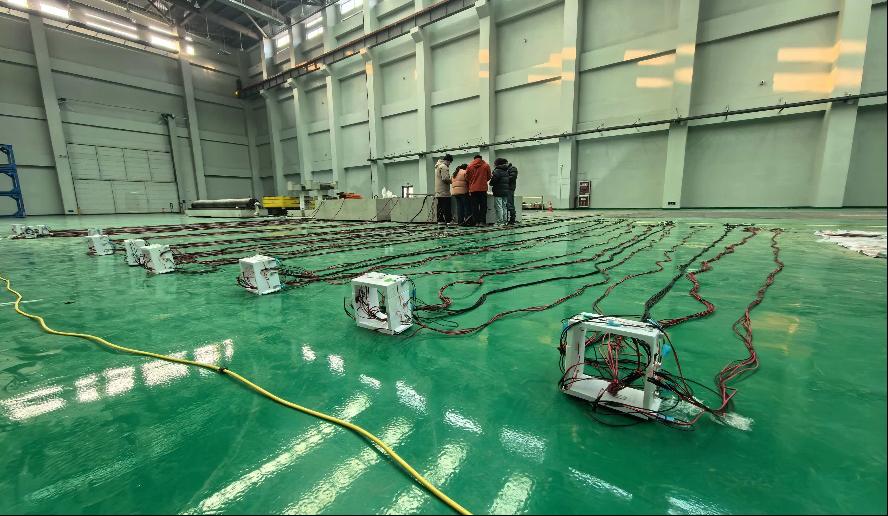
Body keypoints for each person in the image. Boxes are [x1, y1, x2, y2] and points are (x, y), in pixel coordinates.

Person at [465, 154, 491, 226]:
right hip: (482, 188)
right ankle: (482, 222)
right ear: (481, 158)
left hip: (473, 189)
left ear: (474, 159)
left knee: (474, 206)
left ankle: (476, 222)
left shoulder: (469, 166)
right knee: (483, 206)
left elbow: (466, 177)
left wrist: (472, 181)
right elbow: (489, 176)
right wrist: (483, 180)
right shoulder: (486, 166)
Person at [491, 158, 512, 225]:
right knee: (504, 207)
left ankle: (499, 222)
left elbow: (493, 181)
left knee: (499, 207)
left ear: (497, 164)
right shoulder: (506, 171)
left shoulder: (497, 171)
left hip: (498, 191)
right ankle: (505, 221)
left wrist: (491, 183)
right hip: (505, 191)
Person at [434, 154, 453, 224]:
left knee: (440, 206)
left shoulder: (438, 166)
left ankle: (440, 220)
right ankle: (449, 220)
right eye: (450, 162)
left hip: (438, 190)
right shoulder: (444, 167)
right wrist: (451, 181)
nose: (450, 164)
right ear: (448, 161)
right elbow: (445, 178)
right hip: (444, 191)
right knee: (446, 206)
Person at [505, 160, 518, 224]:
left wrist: (503, 178)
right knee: (507, 204)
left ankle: (512, 219)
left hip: (509, 188)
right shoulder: (506, 169)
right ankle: (507, 219)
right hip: (505, 188)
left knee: (510, 204)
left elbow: (512, 177)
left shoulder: (512, 168)